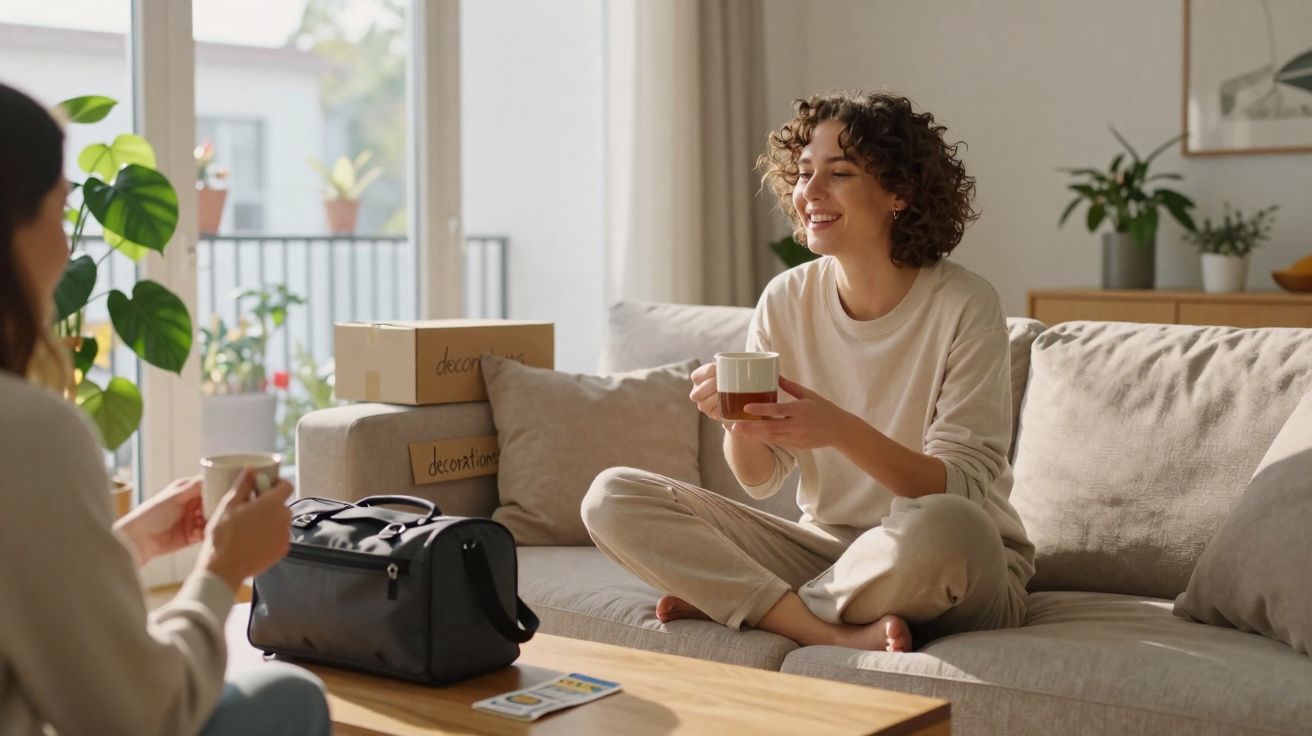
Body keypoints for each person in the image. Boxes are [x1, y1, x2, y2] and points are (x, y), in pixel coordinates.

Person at [582, 91, 1034, 653]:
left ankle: (753, 603)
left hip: (953, 564)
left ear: (900, 192)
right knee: (612, 496)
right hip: (828, 555)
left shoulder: (965, 304)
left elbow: (959, 489)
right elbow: (760, 478)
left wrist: (837, 429)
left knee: (947, 527)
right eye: (802, 173)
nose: (809, 192)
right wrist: (738, 421)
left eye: (839, 173)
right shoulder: (785, 298)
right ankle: (816, 625)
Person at [0, 82, 330, 735]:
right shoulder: (29, 432)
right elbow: (143, 714)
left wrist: (132, 542)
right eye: (59, 211)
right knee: (290, 696)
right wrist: (221, 569)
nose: (67, 248)